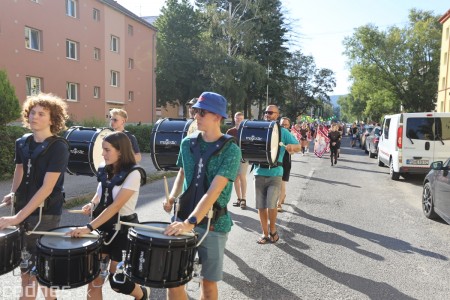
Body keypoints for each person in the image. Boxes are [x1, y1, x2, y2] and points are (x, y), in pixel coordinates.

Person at [162, 92, 241, 300]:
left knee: (208, 283)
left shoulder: (231, 150)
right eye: (195, 111)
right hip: (182, 219)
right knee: (174, 280)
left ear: (217, 116)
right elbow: (182, 173)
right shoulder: (187, 143)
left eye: (202, 112)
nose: (196, 116)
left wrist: (191, 222)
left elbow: (213, 191)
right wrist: (172, 196)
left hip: (214, 224)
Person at [0, 93, 70, 300]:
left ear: (52, 119)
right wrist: (14, 193)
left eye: (41, 113)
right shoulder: (22, 142)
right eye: (32, 112)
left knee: (39, 270)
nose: (35, 117)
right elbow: (20, 169)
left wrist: (17, 217)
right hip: (23, 208)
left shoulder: (58, 147)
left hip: (45, 214)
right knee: (26, 269)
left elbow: (47, 188)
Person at [67, 132, 149, 300]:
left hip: (122, 229)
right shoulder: (105, 169)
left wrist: (88, 227)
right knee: (94, 278)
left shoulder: (134, 173)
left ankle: (142, 295)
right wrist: (92, 204)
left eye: (106, 150)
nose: (102, 154)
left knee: (118, 281)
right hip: (102, 226)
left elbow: (116, 205)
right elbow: (101, 193)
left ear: (120, 151)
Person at [254, 105, 301, 244]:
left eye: (270, 112)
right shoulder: (259, 129)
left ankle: (273, 229)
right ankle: (264, 233)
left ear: (277, 115)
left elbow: (298, 146)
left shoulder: (282, 132)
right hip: (259, 172)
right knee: (261, 206)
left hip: (275, 173)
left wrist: (293, 147)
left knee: (272, 205)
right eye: (266, 112)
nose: (267, 115)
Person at [226, 112, 248, 209]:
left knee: (242, 176)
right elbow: (226, 145)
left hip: (243, 157)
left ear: (243, 119)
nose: (238, 120)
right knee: (235, 178)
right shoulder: (230, 131)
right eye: (237, 118)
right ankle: (239, 198)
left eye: (240, 118)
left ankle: (244, 199)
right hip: (233, 158)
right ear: (234, 119)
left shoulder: (246, 131)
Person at [277, 117, 292, 212]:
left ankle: (278, 204)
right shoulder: (276, 133)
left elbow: (295, 149)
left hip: (285, 161)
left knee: (282, 183)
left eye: (286, 124)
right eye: (282, 124)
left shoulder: (290, 135)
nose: (284, 126)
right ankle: (281, 197)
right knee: (276, 183)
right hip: (275, 161)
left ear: (289, 125)